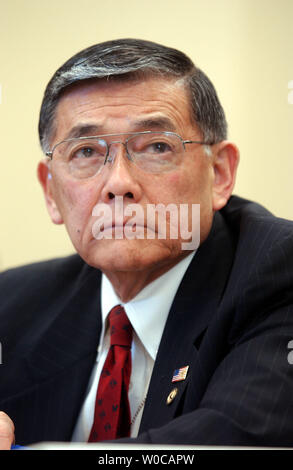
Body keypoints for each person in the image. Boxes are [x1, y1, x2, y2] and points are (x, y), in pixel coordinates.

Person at [1, 38, 293, 450]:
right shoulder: (11, 304)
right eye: (85, 150)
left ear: (221, 174)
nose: (119, 183)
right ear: (51, 192)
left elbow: (227, 441)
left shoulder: (278, 272)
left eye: (157, 147)